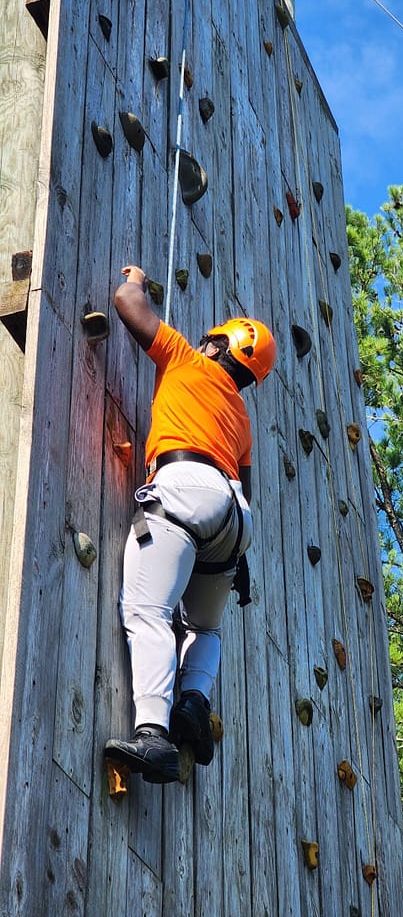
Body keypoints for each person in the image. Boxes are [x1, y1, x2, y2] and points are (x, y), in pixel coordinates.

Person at [104, 265, 275, 784]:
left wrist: (134, 278)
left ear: (220, 347)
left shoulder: (183, 358)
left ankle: (153, 736)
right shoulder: (241, 418)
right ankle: (195, 701)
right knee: (204, 625)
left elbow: (127, 305)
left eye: (212, 340)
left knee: (147, 610)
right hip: (234, 516)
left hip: (183, 488)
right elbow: (246, 485)